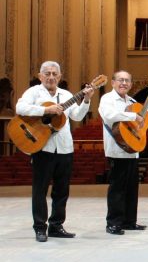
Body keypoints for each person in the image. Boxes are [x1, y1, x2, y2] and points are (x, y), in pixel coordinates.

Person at [15, 61, 93, 242]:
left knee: (61, 191)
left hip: (65, 148)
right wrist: (46, 109)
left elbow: (77, 116)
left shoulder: (66, 95)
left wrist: (86, 100)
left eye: (54, 74)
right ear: (40, 76)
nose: (51, 77)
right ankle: (40, 228)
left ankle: (56, 226)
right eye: (47, 73)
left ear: (59, 77)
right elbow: (20, 108)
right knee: (40, 190)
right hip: (42, 147)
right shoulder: (34, 92)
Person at [99, 70, 148, 235]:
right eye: (121, 80)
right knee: (117, 189)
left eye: (127, 81)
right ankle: (113, 223)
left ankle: (129, 221)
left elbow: (144, 114)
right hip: (117, 149)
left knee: (132, 188)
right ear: (113, 82)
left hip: (133, 149)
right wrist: (132, 116)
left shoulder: (132, 101)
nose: (124, 83)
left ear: (131, 84)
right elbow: (109, 115)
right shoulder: (107, 99)